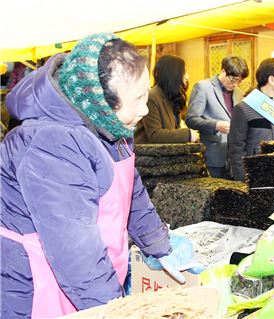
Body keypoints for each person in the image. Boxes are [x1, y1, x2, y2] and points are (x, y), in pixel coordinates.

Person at [0, 33, 185, 318]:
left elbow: (132, 193)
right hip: (35, 282)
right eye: (136, 100)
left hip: (89, 278)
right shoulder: (51, 143)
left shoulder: (111, 127)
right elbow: (75, 253)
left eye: (145, 96)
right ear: (99, 101)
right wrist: (115, 311)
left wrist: (160, 246)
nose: (145, 109)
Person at [228, 57, 274, 181]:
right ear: (272, 80)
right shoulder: (244, 108)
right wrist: (242, 180)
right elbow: (236, 150)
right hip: (257, 178)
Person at [185, 56, 249, 178]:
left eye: (239, 81)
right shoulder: (203, 87)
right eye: (233, 80)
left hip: (234, 157)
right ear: (223, 71)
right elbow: (191, 119)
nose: (235, 84)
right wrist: (216, 125)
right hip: (212, 154)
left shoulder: (238, 93)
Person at [135, 55, 199, 144]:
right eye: (184, 72)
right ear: (173, 74)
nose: (187, 77)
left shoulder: (170, 96)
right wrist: (188, 134)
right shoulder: (151, 97)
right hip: (149, 156)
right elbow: (155, 135)